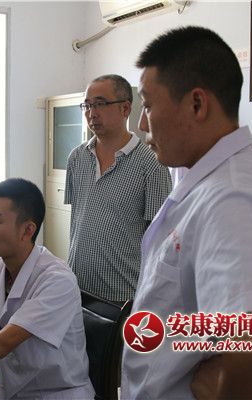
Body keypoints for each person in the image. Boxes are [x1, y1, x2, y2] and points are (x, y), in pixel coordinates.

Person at [121, 26, 252, 399]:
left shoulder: (232, 195)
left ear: (197, 105)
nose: (141, 125)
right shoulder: (207, 171)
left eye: (148, 106)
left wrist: (225, 392)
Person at [0, 178, 94, 399]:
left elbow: (2, 343)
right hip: (10, 392)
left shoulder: (57, 281)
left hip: (55, 394)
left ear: (27, 230)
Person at [64, 74, 172, 303]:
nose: (92, 113)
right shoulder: (76, 158)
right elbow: (78, 221)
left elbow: (160, 239)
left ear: (125, 108)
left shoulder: (152, 165)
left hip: (123, 295)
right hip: (76, 287)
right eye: (87, 105)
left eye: (100, 104)